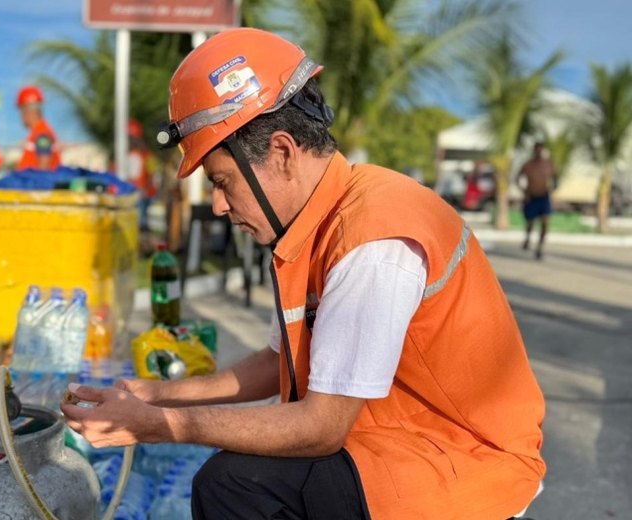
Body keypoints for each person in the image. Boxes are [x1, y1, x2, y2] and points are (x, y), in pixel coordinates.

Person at [61, 28, 546, 519]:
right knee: (242, 478)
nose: (219, 205)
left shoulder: (372, 238)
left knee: (234, 486)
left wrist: (162, 424)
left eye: (223, 182)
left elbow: (320, 428)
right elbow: (280, 362)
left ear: (282, 152)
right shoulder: (317, 226)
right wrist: (157, 395)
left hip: (461, 461)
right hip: (397, 443)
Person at [518, 142, 556, 260]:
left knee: (545, 222)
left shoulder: (548, 165)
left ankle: (540, 247)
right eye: (537, 150)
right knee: (531, 222)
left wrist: (553, 189)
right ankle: (528, 237)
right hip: (531, 197)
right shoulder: (528, 165)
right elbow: (517, 178)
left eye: (541, 150)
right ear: (534, 151)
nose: (539, 152)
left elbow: (556, 177)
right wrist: (525, 192)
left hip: (544, 197)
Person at [15, 85, 60, 171]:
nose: (21, 116)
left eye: (21, 110)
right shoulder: (38, 132)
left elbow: (43, 169)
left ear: (27, 110)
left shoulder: (42, 133)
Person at [127, 118, 159, 231]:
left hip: (144, 194)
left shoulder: (146, 155)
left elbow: (153, 173)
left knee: (141, 223)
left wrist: (145, 189)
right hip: (133, 194)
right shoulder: (129, 154)